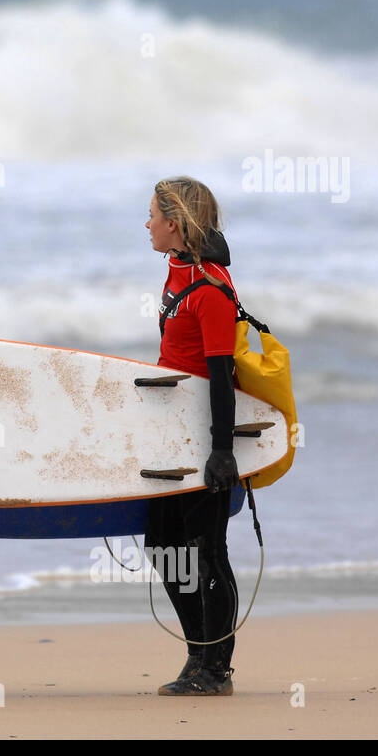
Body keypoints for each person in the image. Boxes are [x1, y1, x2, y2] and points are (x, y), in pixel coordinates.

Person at [143, 176, 240, 696]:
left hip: (204, 439)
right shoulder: (177, 275)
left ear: (174, 224)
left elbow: (221, 376)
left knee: (206, 550)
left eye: (153, 216)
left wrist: (222, 451)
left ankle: (215, 668)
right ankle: (196, 653)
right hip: (169, 435)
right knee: (162, 545)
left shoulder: (211, 290)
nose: (147, 225)